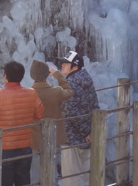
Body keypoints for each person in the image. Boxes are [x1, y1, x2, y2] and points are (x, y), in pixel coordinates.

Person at [0, 61, 44, 186]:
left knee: (4, 181)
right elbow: (39, 114)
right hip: (25, 145)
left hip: (5, 146)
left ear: (5, 75)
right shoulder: (31, 93)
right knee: (23, 181)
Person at [59, 51, 101, 186]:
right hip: (88, 137)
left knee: (72, 178)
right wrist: (91, 131)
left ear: (75, 67)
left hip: (72, 138)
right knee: (86, 176)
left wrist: (85, 131)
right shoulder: (87, 81)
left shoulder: (69, 84)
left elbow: (69, 111)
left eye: (66, 63)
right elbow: (95, 106)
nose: (62, 65)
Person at [29, 60, 73, 152]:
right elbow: (69, 91)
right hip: (54, 137)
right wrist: (57, 74)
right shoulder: (56, 91)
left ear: (32, 75)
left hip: (34, 140)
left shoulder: (27, 94)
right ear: (47, 74)